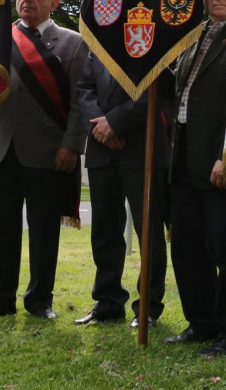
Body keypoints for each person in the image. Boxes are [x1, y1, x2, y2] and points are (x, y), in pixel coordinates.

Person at [0, 0, 88, 320]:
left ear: (54, 4)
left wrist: (72, 146)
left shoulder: (73, 43)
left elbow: (80, 102)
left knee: (44, 231)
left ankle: (40, 300)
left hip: (48, 152)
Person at [163, 0, 226, 355]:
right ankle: (201, 323)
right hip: (183, 159)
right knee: (186, 246)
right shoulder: (193, 35)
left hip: (225, 162)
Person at [73, 54, 171, 328]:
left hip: (143, 148)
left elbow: (159, 89)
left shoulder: (152, 40)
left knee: (148, 230)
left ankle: (148, 306)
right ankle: (108, 302)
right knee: (104, 230)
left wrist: (115, 123)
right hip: (101, 148)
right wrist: (100, 127)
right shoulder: (97, 45)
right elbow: (84, 90)